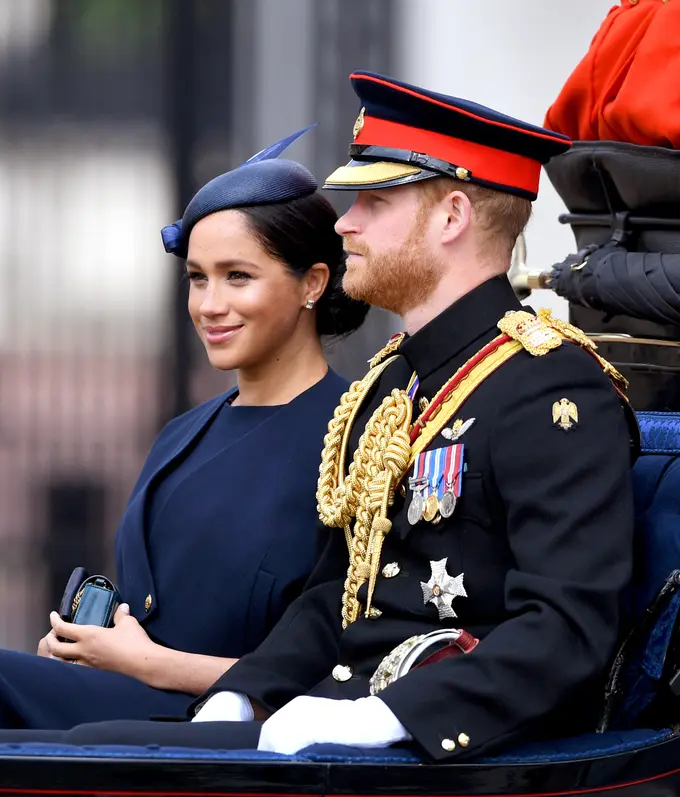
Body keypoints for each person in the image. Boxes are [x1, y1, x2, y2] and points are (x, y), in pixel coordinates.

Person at [0, 72, 636, 761]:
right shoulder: (395, 379)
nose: (343, 224)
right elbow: (336, 591)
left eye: (374, 200)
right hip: (331, 725)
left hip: (441, 761)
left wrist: (391, 716)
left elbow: (566, 628)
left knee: (86, 758)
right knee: (72, 752)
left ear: (451, 217)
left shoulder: (550, 389)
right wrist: (241, 695)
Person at [0, 129, 367, 731]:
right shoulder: (183, 433)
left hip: (231, 737)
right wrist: (84, 654)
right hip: (127, 714)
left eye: (237, 277)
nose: (209, 305)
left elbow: (340, 667)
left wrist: (149, 663)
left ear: (314, 283)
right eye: (198, 278)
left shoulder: (354, 435)